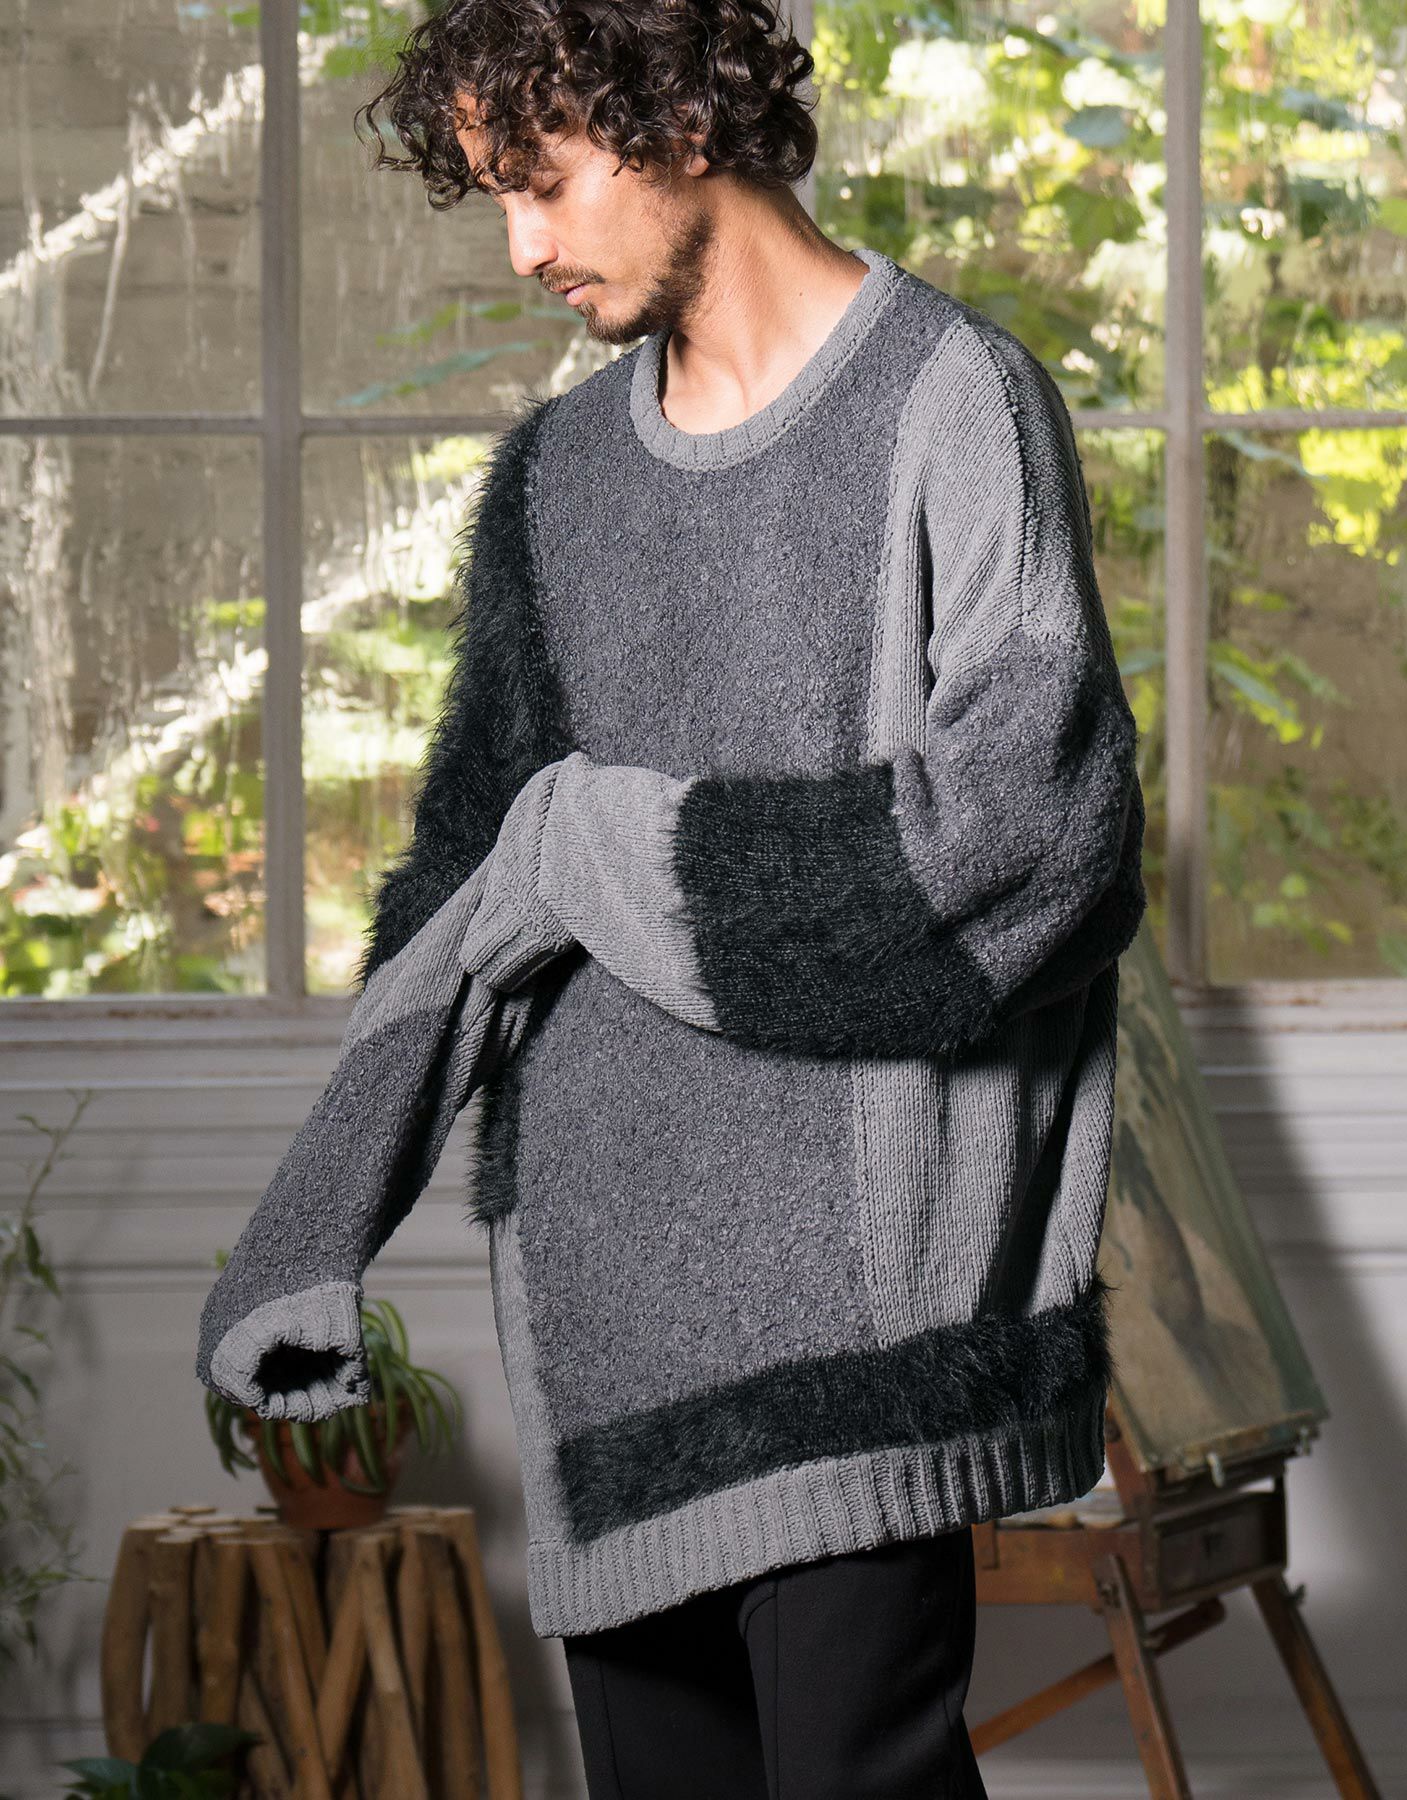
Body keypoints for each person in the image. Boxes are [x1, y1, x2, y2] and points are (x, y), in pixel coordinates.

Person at [201, 2, 1148, 1794]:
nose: (522, 247)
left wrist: (604, 843)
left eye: (543, 182)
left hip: (865, 1333)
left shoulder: (953, 401)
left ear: (681, 121)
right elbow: (463, 902)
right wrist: (302, 1240)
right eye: (494, 196)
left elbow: (1030, 843)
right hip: (601, 1342)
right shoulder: (555, 482)